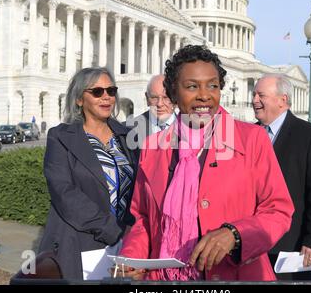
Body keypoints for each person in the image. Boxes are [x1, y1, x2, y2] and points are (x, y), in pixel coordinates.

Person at [115, 45, 294, 281]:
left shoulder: (252, 139)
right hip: (164, 279)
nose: (204, 95)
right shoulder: (152, 148)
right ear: (173, 94)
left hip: (235, 276)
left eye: (213, 85)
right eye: (191, 86)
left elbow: (278, 211)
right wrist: (131, 259)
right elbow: (142, 219)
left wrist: (235, 235)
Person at [39, 67, 138, 280]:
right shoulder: (60, 137)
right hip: (80, 241)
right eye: (97, 92)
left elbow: (141, 189)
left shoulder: (127, 136)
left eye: (111, 91)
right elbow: (64, 192)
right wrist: (111, 230)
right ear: (79, 99)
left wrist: (132, 231)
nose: (106, 97)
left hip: (127, 242)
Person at [252, 73, 311, 280]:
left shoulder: (310, 136)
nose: (254, 100)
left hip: (293, 248)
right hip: (251, 246)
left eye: (261, 95)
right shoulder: (248, 134)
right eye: (254, 95)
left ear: (283, 100)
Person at [126, 74, 176, 151]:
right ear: (147, 98)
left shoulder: (189, 128)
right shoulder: (128, 129)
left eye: (166, 97)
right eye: (154, 98)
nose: (159, 104)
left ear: (175, 98)